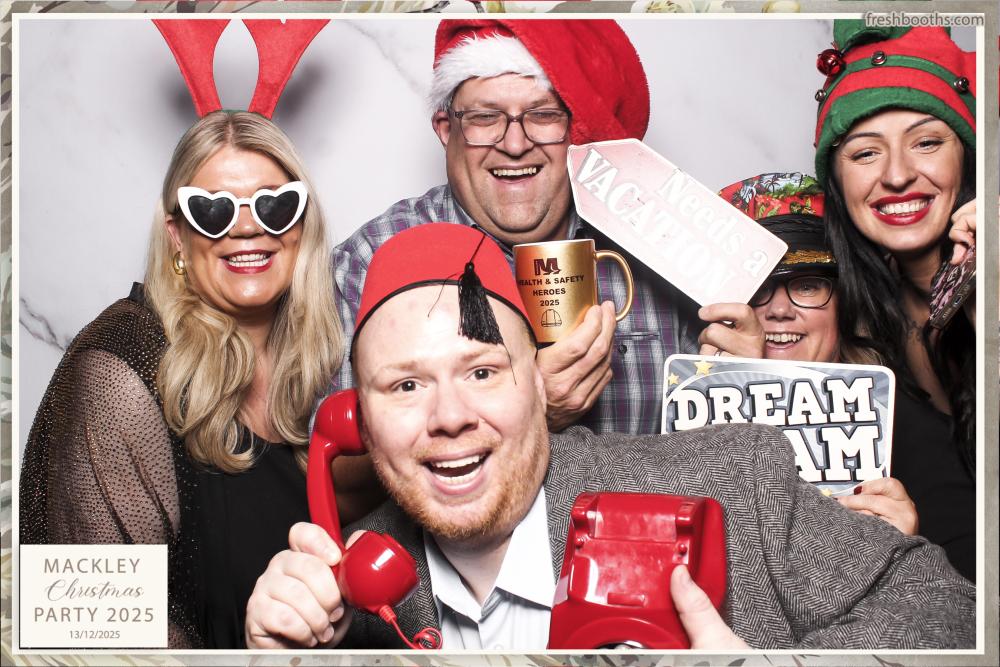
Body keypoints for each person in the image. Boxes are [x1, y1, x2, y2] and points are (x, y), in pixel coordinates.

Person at [245, 223, 974, 651]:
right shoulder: (353, 601)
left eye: (483, 371)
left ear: (540, 384)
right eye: (405, 386)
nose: (449, 416)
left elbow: (950, 610)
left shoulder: (735, 477)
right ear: (358, 422)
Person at [329, 18, 695, 524]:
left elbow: (714, 462)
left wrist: (744, 374)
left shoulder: (661, 245)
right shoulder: (372, 260)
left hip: (639, 550)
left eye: (543, 115)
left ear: (577, 129)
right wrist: (531, 409)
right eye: (485, 118)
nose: (516, 144)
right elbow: (337, 486)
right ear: (446, 130)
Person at [19, 111, 343, 648]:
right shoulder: (116, 372)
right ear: (176, 235)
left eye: (274, 205)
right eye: (212, 210)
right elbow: (87, 639)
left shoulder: (322, 362)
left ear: (301, 225)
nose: (247, 228)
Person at [702, 171, 973, 581]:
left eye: (808, 286)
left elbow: (973, 602)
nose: (779, 311)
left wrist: (905, 558)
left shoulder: (910, 431)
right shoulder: (685, 423)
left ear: (843, 305)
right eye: (756, 287)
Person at [812, 21, 978, 504]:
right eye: (866, 153)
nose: (898, 175)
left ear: (967, 158)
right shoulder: (849, 330)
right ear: (838, 185)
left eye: (926, 143)